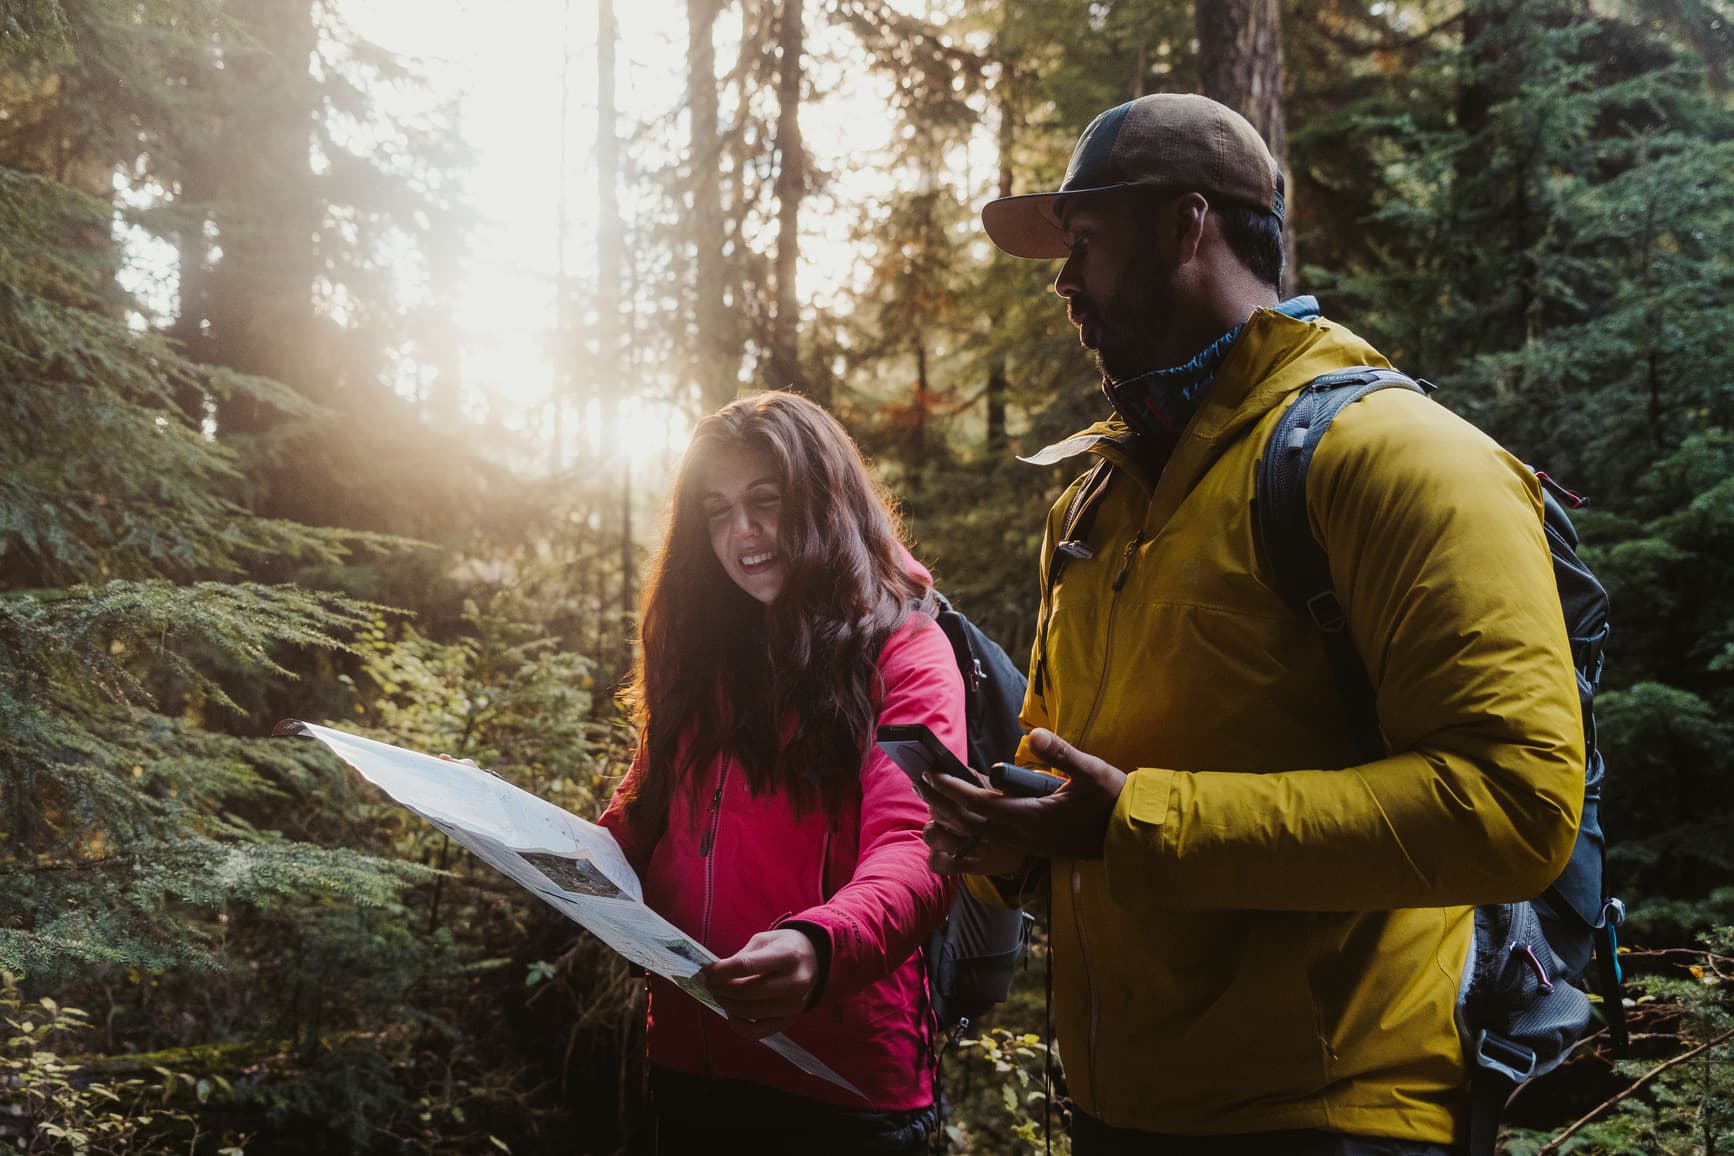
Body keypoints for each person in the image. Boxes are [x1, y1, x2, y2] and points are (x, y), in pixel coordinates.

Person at [919, 93, 1586, 1155]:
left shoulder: (1397, 456)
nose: (1063, 281)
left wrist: (1131, 819)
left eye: (1083, 241)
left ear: (1188, 227)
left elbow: (1517, 805)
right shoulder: (1097, 499)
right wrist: (1018, 841)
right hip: (1117, 1109)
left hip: (1333, 1117)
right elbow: (1083, 786)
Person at [599, 390, 963, 1155]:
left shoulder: (905, 649)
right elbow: (646, 811)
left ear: (826, 502)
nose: (744, 533)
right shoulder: (706, 647)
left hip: (844, 1090)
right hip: (693, 1066)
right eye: (718, 510)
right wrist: (516, 831)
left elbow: (920, 845)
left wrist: (819, 946)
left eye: (768, 502)